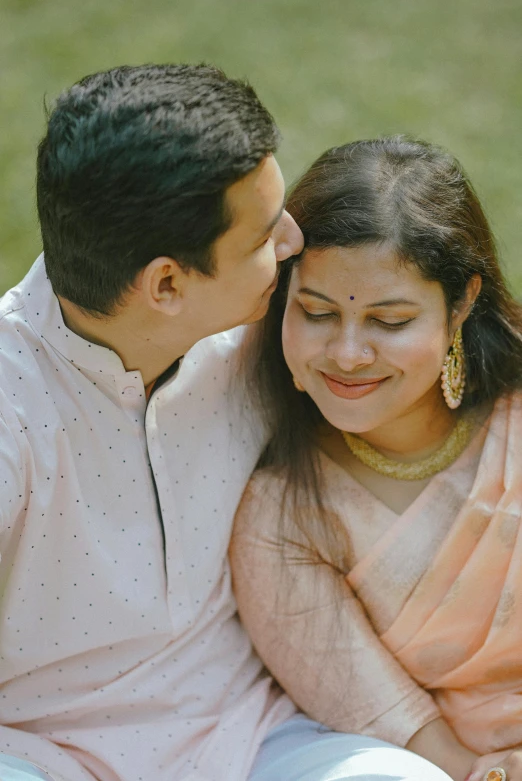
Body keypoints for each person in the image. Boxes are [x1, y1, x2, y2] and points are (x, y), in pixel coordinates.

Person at [0, 68, 451, 781]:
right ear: (168, 285)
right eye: (264, 234)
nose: (294, 239)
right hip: (41, 750)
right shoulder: (10, 407)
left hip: (250, 733)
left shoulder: (259, 334)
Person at [231, 136, 522, 781]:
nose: (348, 353)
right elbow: (387, 717)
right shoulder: (286, 516)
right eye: (316, 312)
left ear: (463, 303)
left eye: (390, 322)